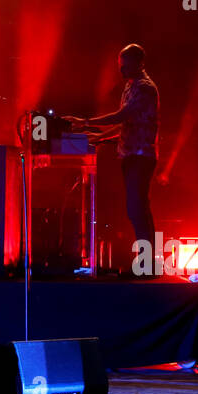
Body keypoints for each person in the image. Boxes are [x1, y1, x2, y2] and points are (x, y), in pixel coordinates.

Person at [62, 44, 159, 266]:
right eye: (120, 66)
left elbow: (121, 116)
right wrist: (98, 137)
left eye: (125, 65)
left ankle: (148, 263)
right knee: (136, 209)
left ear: (139, 63)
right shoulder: (130, 86)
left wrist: (85, 122)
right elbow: (125, 123)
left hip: (140, 156)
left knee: (138, 209)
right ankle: (146, 262)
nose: (122, 70)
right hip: (130, 155)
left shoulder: (145, 87)